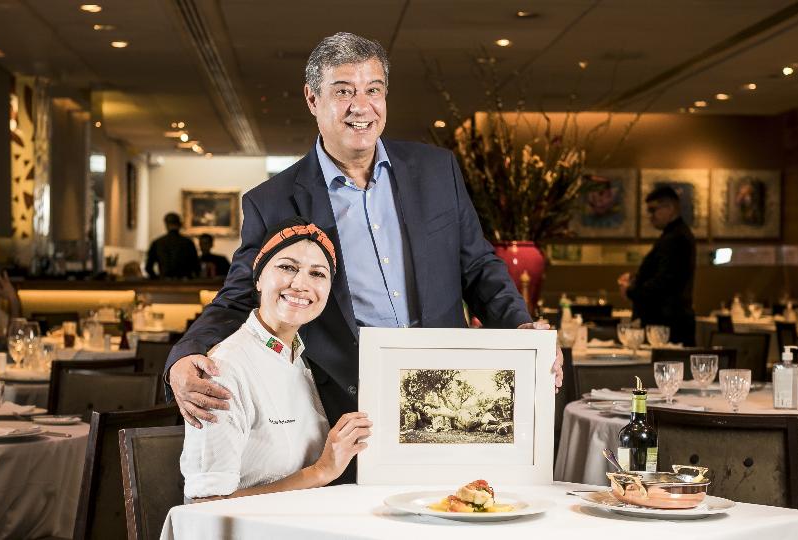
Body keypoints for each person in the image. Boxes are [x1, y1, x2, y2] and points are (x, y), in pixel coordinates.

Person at [164, 32, 563, 475]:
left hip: (449, 391)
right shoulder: (273, 201)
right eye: (343, 91)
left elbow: (479, 266)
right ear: (313, 99)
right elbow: (242, 293)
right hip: (348, 403)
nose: (361, 106)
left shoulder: (437, 170)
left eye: (373, 90)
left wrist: (522, 328)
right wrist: (184, 355)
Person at [181, 217, 371, 500]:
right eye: (286, 267)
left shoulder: (301, 359)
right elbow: (206, 504)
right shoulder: (224, 369)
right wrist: (321, 471)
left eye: (317, 274)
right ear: (258, 278)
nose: (300, 284)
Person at [617, 186, 696, 346]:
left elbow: (665, 282)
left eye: (653, 210)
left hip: (667, 327)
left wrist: (631, 290)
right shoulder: (674, 235)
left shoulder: (676, 238)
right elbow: (663, 273)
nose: (650, 216)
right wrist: (635, 279)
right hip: (667, 324)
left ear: (670, 208)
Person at [146, 213, 200, 279]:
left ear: (166, 224)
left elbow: (148, 267)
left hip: (165, 282)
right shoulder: (188, 242)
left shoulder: (158, 243)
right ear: (179, 224)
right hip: (184, 282)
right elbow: (196, 266)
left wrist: (157, 279)